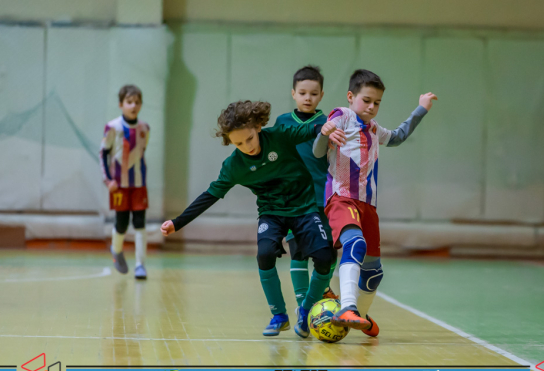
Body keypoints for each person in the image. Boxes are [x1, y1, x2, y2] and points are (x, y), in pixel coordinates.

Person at [161, 100, 345, 338]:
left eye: (249, 139)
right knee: (265, 254)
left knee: (324, 257)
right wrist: (177, 222)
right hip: (271, 212)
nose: (246, 146)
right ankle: (279, 316)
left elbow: (310, 129)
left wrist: (326, 127)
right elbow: (210, 196)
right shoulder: (234, 166)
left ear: (258, 127)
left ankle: (306, 311)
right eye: (238, 143)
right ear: (230, 141)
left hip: (304, 208)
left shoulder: (279, 135)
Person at [314, 69, 437, 336]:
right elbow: (318, 151)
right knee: (355, 243)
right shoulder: (341, 116)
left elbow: (399, 136)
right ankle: (347, 307)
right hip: (342, 198)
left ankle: (361, 315)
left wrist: (421, 109)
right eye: (366, 100)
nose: (371, 106)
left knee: (373, 273)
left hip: (367, 206)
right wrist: (325, 133)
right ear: (350, 96)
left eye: (377, 102)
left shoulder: (373, 129)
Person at [273, 65, 338, 307]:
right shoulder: (282, 123)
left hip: (324, 198)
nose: (307, 98)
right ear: (293, 94)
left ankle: (322, 288)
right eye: (302, 93)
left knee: (329, 252)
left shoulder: (329, 124)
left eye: (313, 93)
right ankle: (303, 306)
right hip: (294, 201)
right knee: (298, 252)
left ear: (321, 95)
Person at [100, 84, 150, 279]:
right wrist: (108, 180)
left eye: (137, 102)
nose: (133, 106)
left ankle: (140, 265)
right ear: (121, 104)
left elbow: (142, 152)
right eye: (129, 102)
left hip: (139, 185)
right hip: (119, 186)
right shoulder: (112, 128)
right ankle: (117, 250)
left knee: (140, 223)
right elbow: (103, 154)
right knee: (121, 223)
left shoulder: (145, 128)